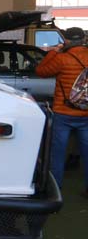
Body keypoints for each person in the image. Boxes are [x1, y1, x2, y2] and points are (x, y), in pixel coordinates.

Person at [36, 27, 88, 198]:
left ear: (66, 41)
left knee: (57, 153)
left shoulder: (62, 59)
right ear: (83, 39)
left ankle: (55, 189)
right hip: (86, 113)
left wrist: (53, 52)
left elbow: (41, 71)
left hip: (64, 113)